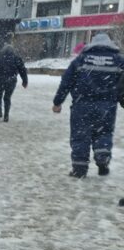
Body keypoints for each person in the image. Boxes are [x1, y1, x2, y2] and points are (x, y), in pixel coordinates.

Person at [52, 32, 124, 178]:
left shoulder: (81, 59)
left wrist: (57, 102)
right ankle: (103, 159)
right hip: (107, 106)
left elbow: (67, 81)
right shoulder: (118, 60)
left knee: (80, 135)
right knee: (104, 133)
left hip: (82, 105)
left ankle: (79, 168)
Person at [0, 44, 28, 122]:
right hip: (11, 80)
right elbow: (22, 70)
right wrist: (25, 81)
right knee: (7, 98)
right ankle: (6, 115)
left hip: (0, 80)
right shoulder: (17, 58)